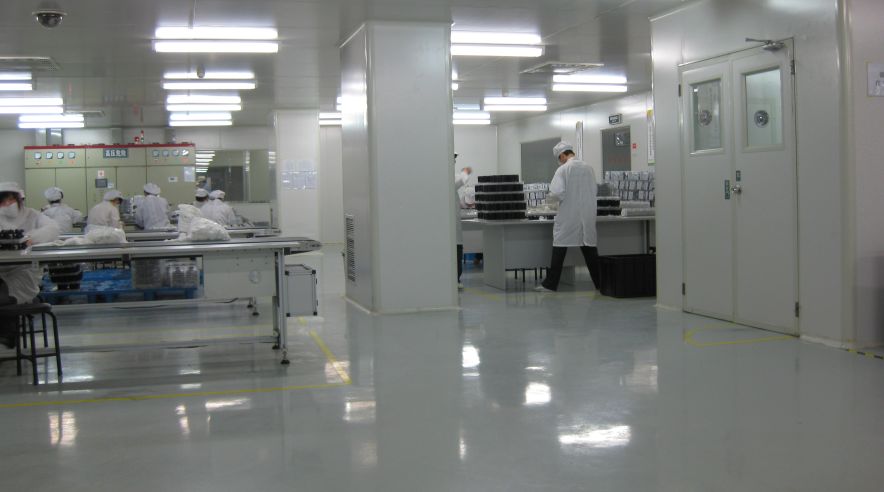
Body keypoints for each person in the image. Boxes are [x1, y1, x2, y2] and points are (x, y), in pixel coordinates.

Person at [534, 142, 601, 292]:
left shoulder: (563, 169)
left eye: (560, 159)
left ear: (563, 155)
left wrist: (546, 206)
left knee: (560, 245)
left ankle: (551, 284)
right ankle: (600, 283)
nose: (560, 161)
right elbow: (594, 190)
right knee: (589, 248)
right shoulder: (588, 168)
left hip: (568, 216)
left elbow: (556, 194)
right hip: (587, 215)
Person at [0, 182, 60, 348]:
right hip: (1, 271)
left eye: (11, 199)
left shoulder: (32, 215)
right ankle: (8, 331)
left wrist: (31, 238)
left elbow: (53, 228)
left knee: (5, 297)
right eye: (3, 201)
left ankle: (8, 332)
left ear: (19, 199)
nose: (7, 204)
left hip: (24, 272)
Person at [453, 154, 472, 290]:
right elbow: (460, 180)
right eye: (453, 158)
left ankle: (456, 278)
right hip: (451, 227)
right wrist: (465, 171)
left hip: (453, 224)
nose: (454, 161)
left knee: (457, 249)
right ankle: (455, 279)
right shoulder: (448, 177)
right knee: (455, 250)